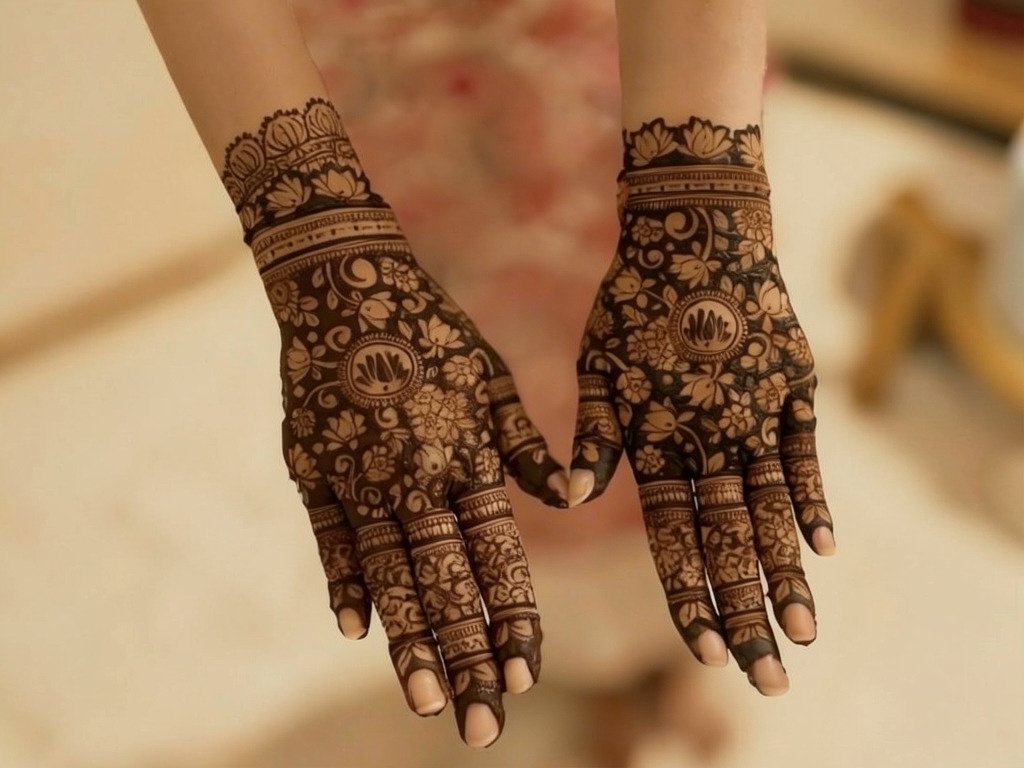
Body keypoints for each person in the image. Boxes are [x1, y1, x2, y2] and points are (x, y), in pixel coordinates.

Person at [137, 0, 835, 750]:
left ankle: (668, 647)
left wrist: (700, 188)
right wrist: (319, 245)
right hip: (372, 72)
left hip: (625, 40)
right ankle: (591, 657)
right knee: (471, 409)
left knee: (680, 392)